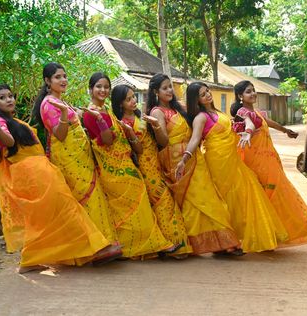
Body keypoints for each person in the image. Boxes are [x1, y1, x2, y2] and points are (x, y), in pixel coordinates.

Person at [0, 84, 121, 273]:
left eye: (10, 95)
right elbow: (9, 141)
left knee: (44, 218)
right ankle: (98, 247)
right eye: (2, 97)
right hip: (32, 174)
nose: (9, 99)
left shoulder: (12, 120)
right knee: (67, 207)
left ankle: (30, 260)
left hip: (36, 172)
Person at [181, 82, 288, 252]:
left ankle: (252, 236)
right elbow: (195, 140)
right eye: (203, 94)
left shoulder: (218, 113)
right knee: (225, 200)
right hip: (218, 162)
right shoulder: (201, 118)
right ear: (197, 100)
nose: (208, 95)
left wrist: (246, 132)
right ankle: (226, 243)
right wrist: (184, 158)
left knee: (248, 193)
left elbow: (243, 126)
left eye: (207, 91)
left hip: (234, 160)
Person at [83, 72, 178, 259]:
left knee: (138, 205)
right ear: (90, 89)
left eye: (106, 87)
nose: (103, 90)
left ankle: (148, 244)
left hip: (125, 164)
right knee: (131, 207)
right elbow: (108, 141)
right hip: (114, 170)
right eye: (98, 87)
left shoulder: (106, 110)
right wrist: (101, 122)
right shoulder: (91, 113)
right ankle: (149, 245)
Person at [231, 80, 307, 247]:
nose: (253, 94)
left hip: (268, 160)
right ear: (240, 96)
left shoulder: (256, 112)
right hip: (259, 163)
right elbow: (249, 124)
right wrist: (248, 133)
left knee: (270, 197)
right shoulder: (242, 111)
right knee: (282, 195)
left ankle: (271, 237)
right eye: (248, 92)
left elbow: (270, 123)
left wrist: (286, 131)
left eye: (253, 90)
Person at [145, 73, 241, 255]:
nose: (169, 91)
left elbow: (197, 132)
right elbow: (164, 142)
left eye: (170, 87)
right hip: (176, 160)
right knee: (193, 203)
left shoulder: (178, 109)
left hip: (194, 158)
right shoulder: (157, 112)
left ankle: (223, 241)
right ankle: (205, 243)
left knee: (209, 198)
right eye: (165, 88)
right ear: (156, 92)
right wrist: (156, 126)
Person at [32, 63, 117, 244]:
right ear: (47, 81)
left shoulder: (60, 100)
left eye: (64, 76)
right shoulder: (49, 104)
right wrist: (64, 113)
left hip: (80, 158)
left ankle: (101, 242)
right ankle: (96, 244)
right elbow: (61, 135)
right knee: (87, 198)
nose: (63, 80)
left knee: (92, 197)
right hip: (69, 161)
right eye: (57, 77)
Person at [111, 84, 192, 258]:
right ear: (120, 104)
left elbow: (159, 141)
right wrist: (130, 133)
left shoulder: (140, 116)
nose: (133, 101)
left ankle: (171, 243)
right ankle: (170, 243)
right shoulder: (123, 123)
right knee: (163, 201)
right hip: (145, 166)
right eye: (128, 99)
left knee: (163, 202)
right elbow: (138, 150)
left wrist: (155, 125)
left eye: (134, 97)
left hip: (157, 162)